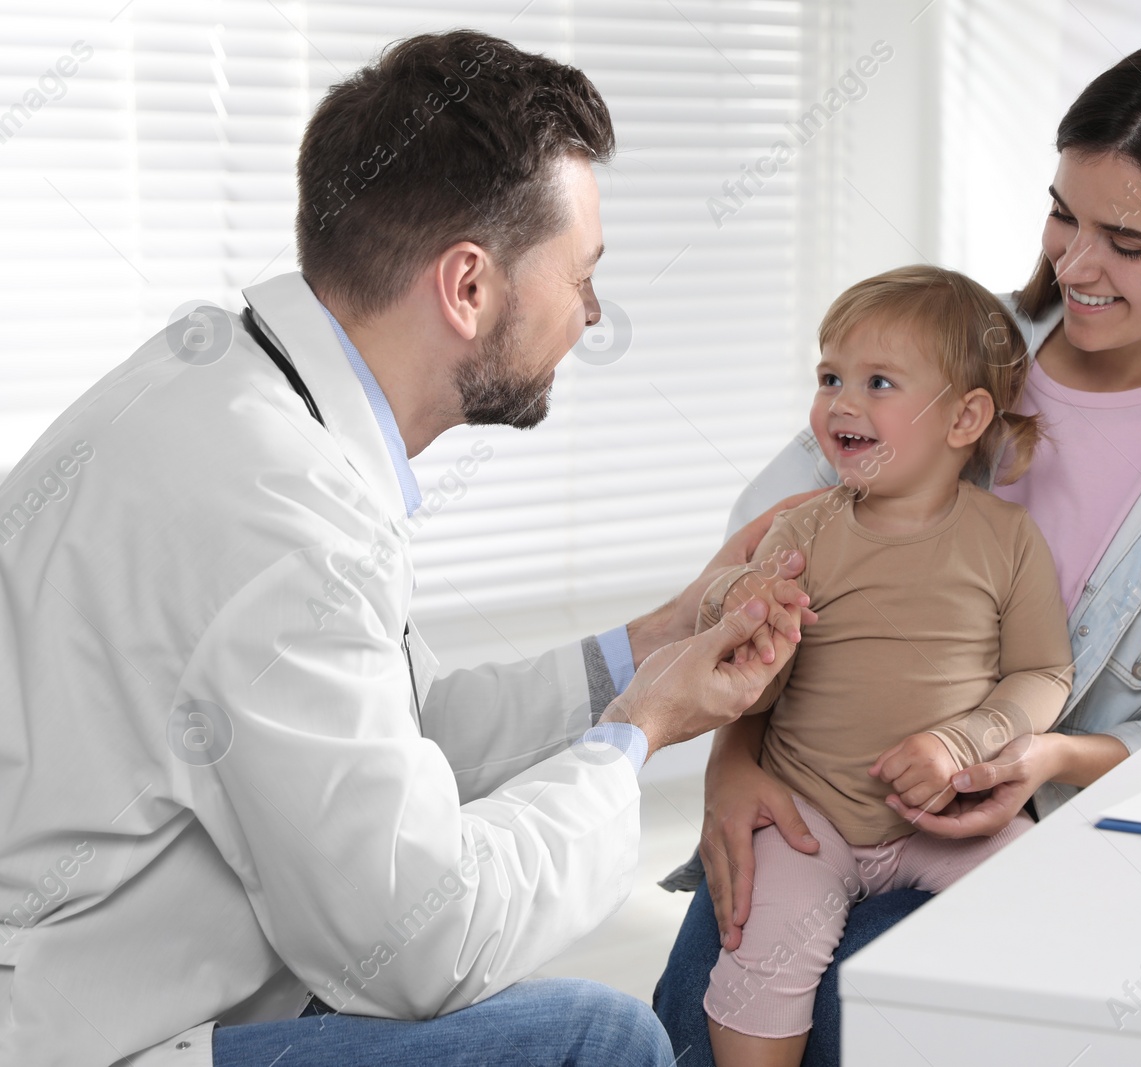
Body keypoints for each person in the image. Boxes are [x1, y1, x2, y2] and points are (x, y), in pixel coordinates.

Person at [0, 31, 817, 1067]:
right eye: (581, 274)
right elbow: (422, 938)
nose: (593, 311)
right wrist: (638, 734)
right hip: (85, 1033)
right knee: (596, 1038)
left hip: (124, 966)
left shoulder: (228, 390)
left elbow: (396, 735)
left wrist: (650, 641)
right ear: (468, 286)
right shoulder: (282, 519)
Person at [654, 39, 1141, 1066]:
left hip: (1035, 834)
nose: (1073, 263)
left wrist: (1050, 755)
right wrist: (732, 761)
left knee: (876, 1018)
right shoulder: (924, 356)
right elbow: (748, 581)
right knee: (691, 1025)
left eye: (1124, 239)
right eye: (1063, 214)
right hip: (805, 799)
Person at [695, 266, 1073, 1067]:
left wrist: (965, 742)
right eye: (829, 375)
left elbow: (1042, 674)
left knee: (1035, 911)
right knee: (761, 954)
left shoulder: (1006, 540)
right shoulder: (803, 527)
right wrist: (745, 599)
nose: (841, 403)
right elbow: (723, 637)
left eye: (877, 382)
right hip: (813, 815)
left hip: (949, 814)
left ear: (966, 416)